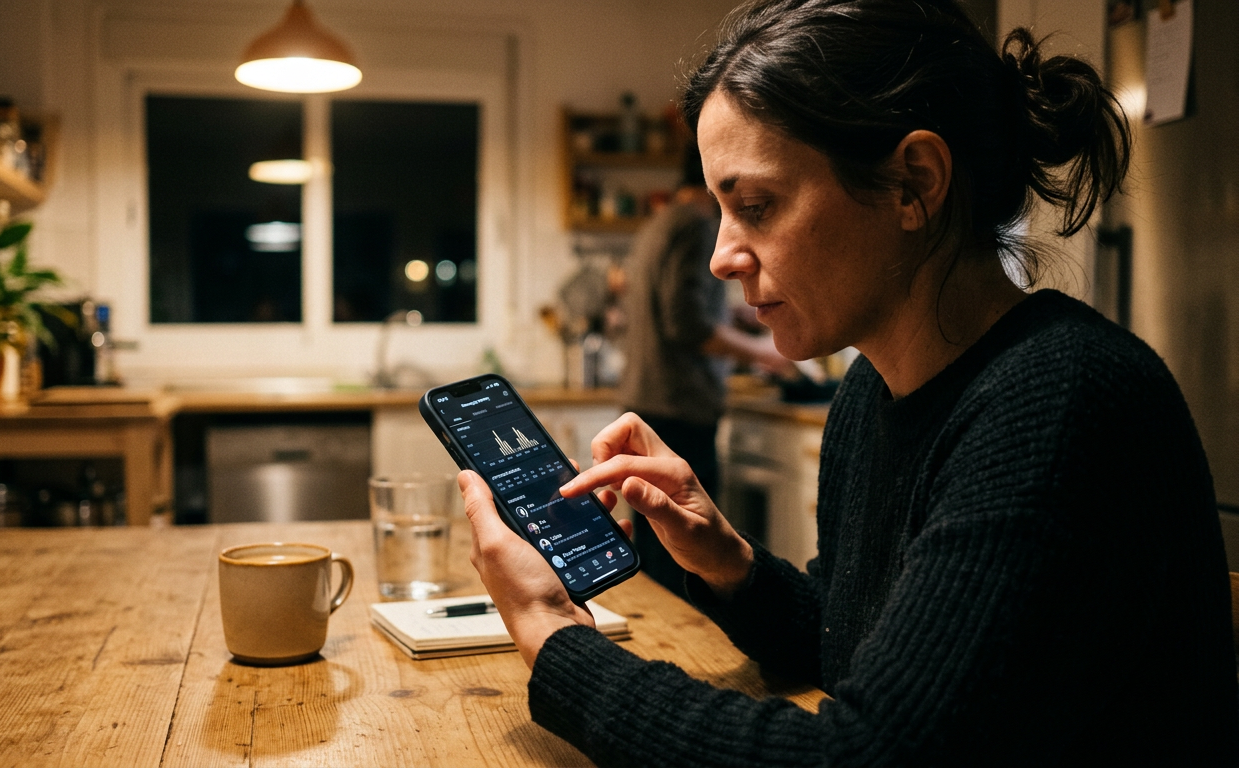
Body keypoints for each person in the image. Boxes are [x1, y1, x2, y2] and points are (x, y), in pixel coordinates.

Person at [458, 0, 1239, 764]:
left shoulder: (1065, 402)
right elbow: (853, 644)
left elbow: (870, 751)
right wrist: (728, 562)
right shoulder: (870, 395)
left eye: (756, 205)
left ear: (913, 184)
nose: (722, 257)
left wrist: (551, 632)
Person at [618, 139, 793, 596]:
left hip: (649, 403)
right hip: (680, 404)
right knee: (684, 556)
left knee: (656, 549)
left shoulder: (658, 223)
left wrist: (734, 315)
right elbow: (686, 324)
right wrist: (764, 352)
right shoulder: (695, 224)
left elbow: (678, 306)